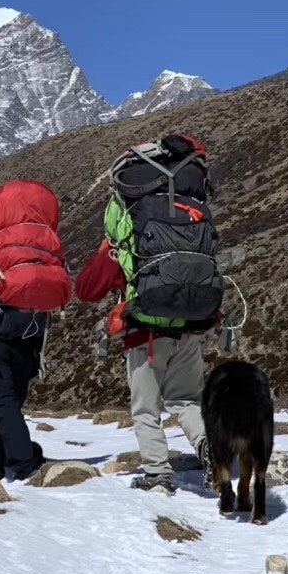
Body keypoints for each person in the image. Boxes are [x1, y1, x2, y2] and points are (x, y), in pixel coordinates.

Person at [76, 136, 221, 495]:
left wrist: (111, 249)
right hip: (190, 324)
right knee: (186, 399)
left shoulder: (128, 241)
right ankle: (209, 447)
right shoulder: (191, 216)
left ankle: (158, 474)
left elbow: (87, 289)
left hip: (145, 331)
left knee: (146, 409)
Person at [0, 182, 71, 483]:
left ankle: (24, 464)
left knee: (1, 398)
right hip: (36, 325)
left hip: (0, 324)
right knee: (12, 397)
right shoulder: (46, 237)